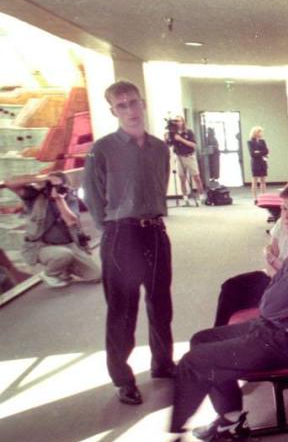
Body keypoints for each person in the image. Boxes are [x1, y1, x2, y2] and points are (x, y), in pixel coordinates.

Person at [161, 182, 288, 442]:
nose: (286, 216)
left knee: (194, 361)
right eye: (284, 208)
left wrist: (275, 289)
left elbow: (270, 306)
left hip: (286, 342)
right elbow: (277, 294)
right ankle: (231, 420)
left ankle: (173, 440)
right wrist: (278, 280)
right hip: (274, 329)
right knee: (201, 340)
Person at [83, 80, 177, 406]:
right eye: (121, 106)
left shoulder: (160, 148)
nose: (129, 110)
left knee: (161, 303)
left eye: (133, 103)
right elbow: (94, 200)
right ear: (113, 111)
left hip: (154, 231)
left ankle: (163, 364)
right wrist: (113, 230)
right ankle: (123, 379)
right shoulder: (102, 149)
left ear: (143, 104)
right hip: (120, 235)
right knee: (123, 310)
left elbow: (158, 186)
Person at [0, 172, 100, 287]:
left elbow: (71, 221)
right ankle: (50, 274)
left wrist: (59, 200)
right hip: (42, 246)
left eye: (61, 186)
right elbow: (10, 183)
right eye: (55, 187)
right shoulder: (35, 197)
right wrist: (44, 178)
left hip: (69, 245)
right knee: (63, 255)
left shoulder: (68, 197)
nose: (58, 189)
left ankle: (64, 269)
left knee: (95, 275)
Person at [212, 207, 288, 327]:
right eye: (285, 208)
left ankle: (232, 335)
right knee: (230, 286)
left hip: (285, 287)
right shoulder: (282, 222)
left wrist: (271, 259)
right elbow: (270, 254)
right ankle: (217, 334)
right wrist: (271, 261)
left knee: (243, 299)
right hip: (271, 276)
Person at [166, 115, 204, 197]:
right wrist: (166, 138)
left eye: (179, 121)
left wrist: (181, 139)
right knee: (182, 179)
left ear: (183, 122)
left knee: (196, 177)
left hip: (189, 157)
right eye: (176, 121)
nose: (178, 123)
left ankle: (201, 196)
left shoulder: (188, 132)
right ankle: (185, 198)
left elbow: (193, 145)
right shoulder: (173, 134)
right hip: (180, 157)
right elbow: (168, 145)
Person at [248, 126, 269, 201]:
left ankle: (264, 197)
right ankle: (255, 198)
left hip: (263, 162)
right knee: (255, 181)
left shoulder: (262, 141)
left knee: (263, 181)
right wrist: (261, 152)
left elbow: (266, 151)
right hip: (255, 163)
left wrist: (258, 152)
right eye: (260, 132)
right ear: (256, 133)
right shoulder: (250, 142)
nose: (261, 133)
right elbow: (252, 154)